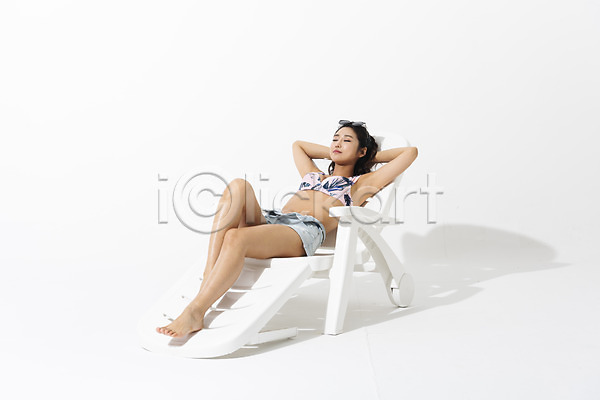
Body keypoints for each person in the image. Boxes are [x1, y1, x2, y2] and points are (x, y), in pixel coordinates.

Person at [156, 120, 418, 337]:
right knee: (237, 186)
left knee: (236, 237)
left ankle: (196, 311)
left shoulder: (360, 184)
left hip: (302, 232)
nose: (337, 144)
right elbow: (299, 146)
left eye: (346, 140)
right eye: (335, 139)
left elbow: (410, 153)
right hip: (275, 221)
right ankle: (208, 276)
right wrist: (339, 151)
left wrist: (369, 156)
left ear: (361, 152)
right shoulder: (314, 175)